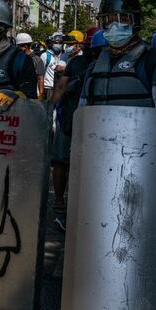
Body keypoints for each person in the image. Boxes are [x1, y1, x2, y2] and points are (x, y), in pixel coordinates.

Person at [80, 0, 156, 110]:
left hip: (142, 128)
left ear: (136, 22)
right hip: (98, 128)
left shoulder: (155, 61)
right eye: (108, 21)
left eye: (122, 20)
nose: (114, 26)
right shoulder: (95, 66)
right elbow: (82, 111)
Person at [48, 27, 99, 231]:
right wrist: (49, 112)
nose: (88, 50)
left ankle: (80, 207)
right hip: (69, 118)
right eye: (86, 47)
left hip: (94, 125)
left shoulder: (103, 65)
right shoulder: (76, 62)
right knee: (61, 161)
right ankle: (60, 204)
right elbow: (60, 87)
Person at [16, 32, 45, 99]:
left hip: (30, 94)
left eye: (18, 46)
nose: (17, 48)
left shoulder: (37, 59)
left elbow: (40, 77)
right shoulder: (17, 58)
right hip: (17, 93)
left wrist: (41, 94)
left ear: (25, 46)